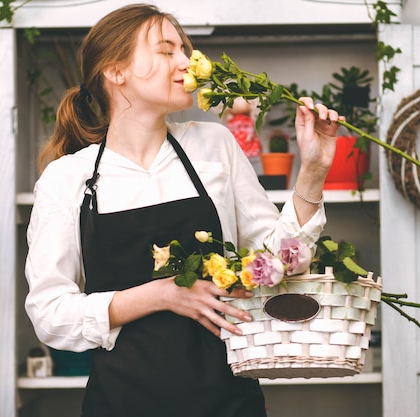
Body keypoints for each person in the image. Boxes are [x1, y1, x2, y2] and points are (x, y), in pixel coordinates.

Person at [24, 4, 341, 417]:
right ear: (116, 71)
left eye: (185, 49)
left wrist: (313, 171)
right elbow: (50, 314)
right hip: (120, 403)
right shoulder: (68, 179)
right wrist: (161, 294)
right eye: (165, 50)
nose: (187, 62)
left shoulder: (214, 146)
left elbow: (281, 263)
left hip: (229, 402)